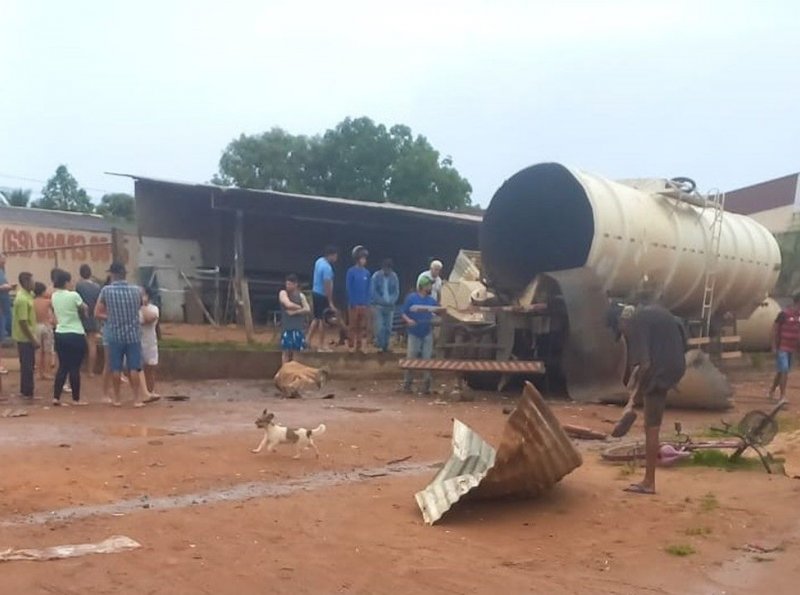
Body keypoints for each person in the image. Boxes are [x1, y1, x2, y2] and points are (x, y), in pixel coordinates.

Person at [609, 303, 686, 495]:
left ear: (622, 320)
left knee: (651, 428)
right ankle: (631, 407)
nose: (624, 335)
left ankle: (648, 482)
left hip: (659, 371)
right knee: (649, 416)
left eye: (621, 330)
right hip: (675, 365)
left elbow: (644, 364)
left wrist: (635, 396)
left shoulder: (637, 322)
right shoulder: (650, 312)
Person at [96, 262, 145, 407]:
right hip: (133, 334)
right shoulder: (136, 290)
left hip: (114, 335)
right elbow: (140, 306)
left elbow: (97, 312)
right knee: (134, 367)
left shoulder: (106, 291)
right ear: (125, 274)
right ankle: (136, 398)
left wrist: (111, 317)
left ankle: (117, 398)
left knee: (115, 368)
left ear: (113, 274)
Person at [51, 269, 89, 406]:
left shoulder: (54, 296)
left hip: (60, 333)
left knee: (63, 367)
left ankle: (56, 397)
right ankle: (76, 399)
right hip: (76, 333)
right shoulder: (74, 295)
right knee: (74, 368)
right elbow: (84, 308)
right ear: (66, 282)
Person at [401, 276, 439, 394]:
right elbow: (403, 312)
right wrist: (408, 321)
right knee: (411, 359)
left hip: (427, 332)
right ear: (422, 286)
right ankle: (407, 384)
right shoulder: (411, 298)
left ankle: (426, 385)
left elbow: (439, 311)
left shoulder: (431, 300)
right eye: (429, 285)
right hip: (414, 333)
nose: (431, 287)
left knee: (427, 360)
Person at [769, 293, 800, 402]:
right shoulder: (784, 314)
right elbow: (775, 329)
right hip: (782, 347)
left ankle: (772, 390)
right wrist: (773, 346)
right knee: (784, 370)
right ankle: (782, 396)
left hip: (792, 348)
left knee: (781, 371)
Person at [12, 272, 38, 399]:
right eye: (32, 281)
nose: (34, 283)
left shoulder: (29, 295)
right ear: (26, 283)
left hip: (29, 335)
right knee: (27, 365)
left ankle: (26, 390)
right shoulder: (22, 299)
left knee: (29, 364)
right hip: (24, 337)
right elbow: (23, 322)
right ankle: (27, 392)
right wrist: (32, 339)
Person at [307, 246, 338, 352]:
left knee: (316, 318)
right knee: (323, 321)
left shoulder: (319, 261)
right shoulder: (327, 268)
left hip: (315, 292)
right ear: (331, 255)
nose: (336, 258)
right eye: (335, 256)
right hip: (322, 295)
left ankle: (307, 340)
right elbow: (327, 285)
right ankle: (321, 345)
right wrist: (330, 301)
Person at [75, 264, 102, 377]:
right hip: (93, 317)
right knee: (92, 345)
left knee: (78, 345)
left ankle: (77, 369)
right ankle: (90, 371)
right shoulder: (97, 287)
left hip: (81, 318)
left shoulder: (79, 286)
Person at [278, 274, 310, 364]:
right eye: (287, 284)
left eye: (290, 284)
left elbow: (308, 309)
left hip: (298, 328)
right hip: (287, 328)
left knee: (296, 353)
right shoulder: (283, 293)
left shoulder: (301, 296)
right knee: (285, 352)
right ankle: (285, 371)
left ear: (295, 284)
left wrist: (295, 312)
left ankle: (295, 372)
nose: (288, 286)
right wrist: (300, 307)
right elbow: (288, 304)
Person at [370, 259, 399, 353]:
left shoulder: (394, 276)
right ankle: (380, 345)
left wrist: (391, 300)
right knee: (380, 327)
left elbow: (396, 291)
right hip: (378, 306)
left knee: (388, 328)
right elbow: (373, 292)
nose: (388, 272)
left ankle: (385, 347)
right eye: (386, 269)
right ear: (383, 268)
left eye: (389, 270)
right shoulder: (376, 276)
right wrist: (382, 301)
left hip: (390, 306)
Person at [346, 247, 371, 353]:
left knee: (362, 326)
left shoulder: (367, 273)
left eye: (365, 258)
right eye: (362, 258)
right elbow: (349, 288)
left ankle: (359, 346)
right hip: (354, 304)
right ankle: (351, 345)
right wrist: (353, 302)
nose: (364, 260)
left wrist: (366, 303)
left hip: (363, 304)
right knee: (353, 325)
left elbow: (368, 289)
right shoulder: (351, 271)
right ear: (357, 259)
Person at [140, 287, 160, 398]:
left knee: (151, 368)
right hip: (138, 343)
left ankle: (150, 392)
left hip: (150, 343)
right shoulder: (135, 309)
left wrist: (142, 306)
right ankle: (142, 393)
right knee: (138, 368)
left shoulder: (154, 309)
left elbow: (149, 319)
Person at [33, 282, 55, 381]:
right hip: (46, 325)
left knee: (38, 351)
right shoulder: (48, 302)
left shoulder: (32, 302)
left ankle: (38, 372)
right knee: (47, 351)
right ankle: (47, 372)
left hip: (36, 326)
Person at [0, 253, 15, 375]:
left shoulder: (2, 272)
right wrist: (5, 287)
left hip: (4, 307)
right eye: (2, 259)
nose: (4, 261)